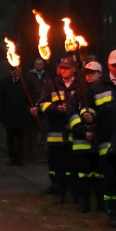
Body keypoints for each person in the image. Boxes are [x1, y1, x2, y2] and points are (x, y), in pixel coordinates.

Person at [80, 49, 116, 228]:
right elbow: (87, 107)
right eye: (113, 65)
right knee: (110, 179)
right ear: (108, 65)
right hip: (106, 142)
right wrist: (88, 115)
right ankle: (113, 212)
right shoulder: (98, 87)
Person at [38, 56, 79, 203]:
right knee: (58, 165)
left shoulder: (80, 85)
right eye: (62, 67)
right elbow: (42, 104)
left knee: (74, 165)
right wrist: (56, 108)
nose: (64, 70)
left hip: (75, 133)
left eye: (67, 68)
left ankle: (75, 193)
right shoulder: (51, 84)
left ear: (74, 69)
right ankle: (59, 192)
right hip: (56, 132)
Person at [67, 60, 105, 212]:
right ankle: (84, 202)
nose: (89, 75)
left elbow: (108, 113)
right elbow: (71, 114)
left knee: (100, 173)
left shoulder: (105, 92)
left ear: (100, 74)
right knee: (83, 174)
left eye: (93, 72)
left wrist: (96, 125)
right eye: (87, 73)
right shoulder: (78, 93)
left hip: (100, 140)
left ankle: (101, 202)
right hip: (82, 141)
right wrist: (83, 131)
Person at [0, 63, 30, 165]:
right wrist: (0, 114)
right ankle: (12, 158)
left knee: (20, 139)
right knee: (10, 138)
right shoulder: (5, 82)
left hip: (21, 115)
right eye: (12, 70)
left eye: (16, 70)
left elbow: (31, 98)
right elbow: (1, 99)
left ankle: (20, 158)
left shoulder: (26, 83)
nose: (14, 72)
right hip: (9, 115)